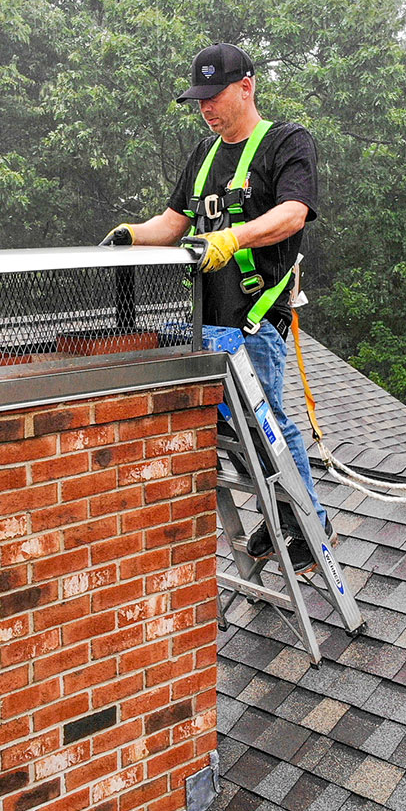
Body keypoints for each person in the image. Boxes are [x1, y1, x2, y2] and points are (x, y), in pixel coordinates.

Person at [101, 42, 334, 570]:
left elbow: (294, 213)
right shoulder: (203, 156)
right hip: (206, 318)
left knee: (267, 423)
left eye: (214, 96)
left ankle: (306, 524)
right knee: (236, 434)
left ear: (246, 86)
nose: (205, 109)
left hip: (255, 317)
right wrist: (133, 235)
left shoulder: (286, 143)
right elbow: (172, 224)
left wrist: (232, 238)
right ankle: (280, 518)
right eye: (198, 100)